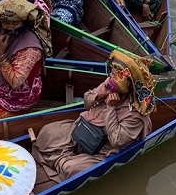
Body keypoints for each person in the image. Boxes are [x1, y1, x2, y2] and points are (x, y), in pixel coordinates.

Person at [31, 50, 156, 183]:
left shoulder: (136, 114)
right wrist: (99, 95)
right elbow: (87, 101)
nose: (111, 79)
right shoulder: (111, 83)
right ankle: (65, 158)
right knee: (47, 133)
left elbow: (116, 140)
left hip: (102, 150)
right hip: (82, 129)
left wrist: (111, 108)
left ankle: (65, 162)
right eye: (112, 74)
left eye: (116, 77)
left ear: (128, 84)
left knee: (71, 169)